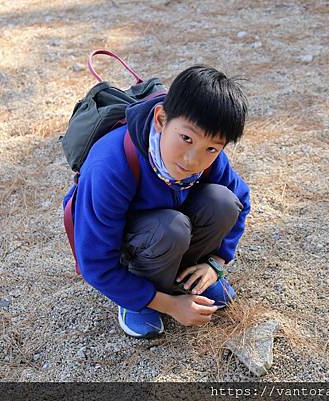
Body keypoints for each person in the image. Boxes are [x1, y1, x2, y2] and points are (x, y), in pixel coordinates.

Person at [62, 65, 250, 338]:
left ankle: (188, 278)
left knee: (223, 201)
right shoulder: (111, 165)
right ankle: (137, 300)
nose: (192, 159)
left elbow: (240, 200)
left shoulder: (208, 156)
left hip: (171, 231)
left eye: (211, 148)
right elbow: (96, 264)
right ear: (161, 119)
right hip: (142, 245)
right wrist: (170, 305)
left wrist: (216, 263)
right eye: (186, 138)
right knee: (170, 228)